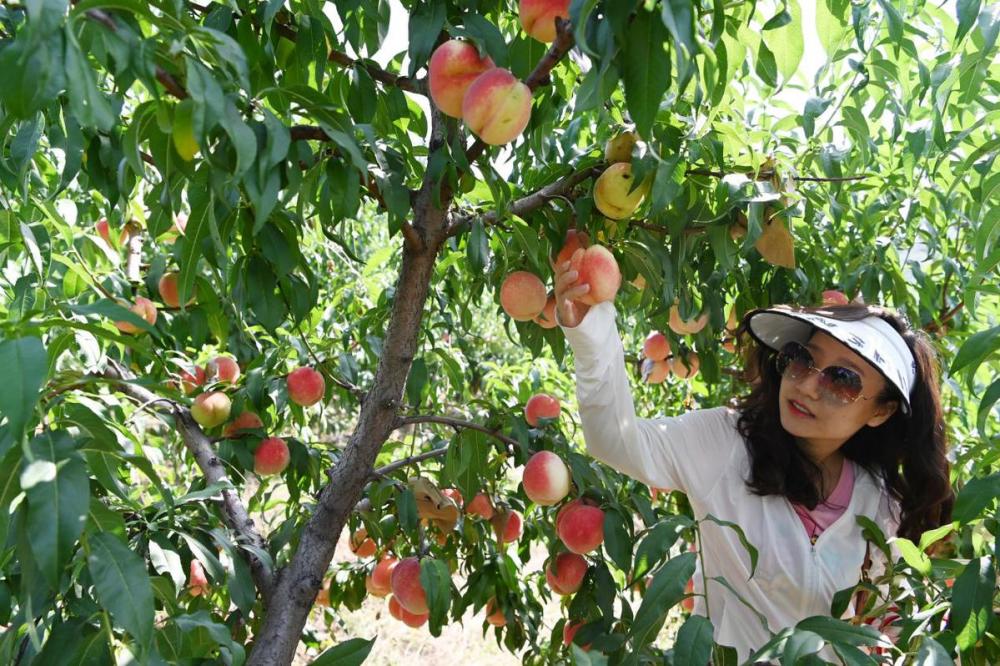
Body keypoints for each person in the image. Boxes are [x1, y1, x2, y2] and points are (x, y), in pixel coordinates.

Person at [552, 253, 954, 662]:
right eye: (802, 358)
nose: (809, 386)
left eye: (843, 379)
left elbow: (879, 625)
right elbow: (614, 441)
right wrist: (591, 330)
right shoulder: (724, 443)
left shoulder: (881, 504)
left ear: (881, 411)